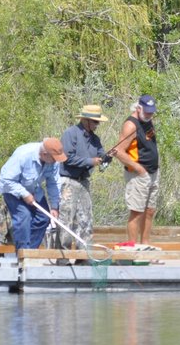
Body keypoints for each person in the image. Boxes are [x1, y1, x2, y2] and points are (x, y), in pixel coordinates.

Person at [56, 104, 110, 250]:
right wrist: (90, 161)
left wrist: (108, 158)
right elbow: (66, 158)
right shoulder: (70, 133)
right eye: (95, 122)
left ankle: (84, 255)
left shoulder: (95, 139)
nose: (98, 125)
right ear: (86, 120)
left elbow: (101, 156)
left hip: (84, 182)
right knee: (65, 219)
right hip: (68, 182)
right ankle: (63, 257)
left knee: (86, 220)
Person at [0, 138, 66, 252]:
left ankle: (30, 251)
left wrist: (54, 206)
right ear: (44, 154)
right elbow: (6, 179)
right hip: (12, 189)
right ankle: (23, 254)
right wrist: (24, 194)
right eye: (54, 159)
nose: (56, 161)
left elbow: (53, 182)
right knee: (24, 216)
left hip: (34, 189)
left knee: (44, 218)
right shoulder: (23, 155)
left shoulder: (53, 161)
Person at [115, 94, 160, 248]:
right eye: (146, 111)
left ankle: (145, 243)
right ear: (138, 108)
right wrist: (139, 168)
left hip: (153, 172)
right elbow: (118, 151)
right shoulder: (131, 125)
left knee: (150, 210)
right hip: (138, 175)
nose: (149, 114)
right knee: (137, 211)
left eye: (151, 112)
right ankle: (132, 247)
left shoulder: (148, 120)